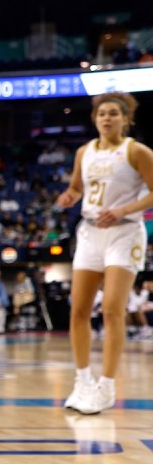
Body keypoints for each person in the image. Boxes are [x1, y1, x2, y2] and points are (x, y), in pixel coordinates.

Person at [56, 92, 153, 414]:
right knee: (79, 311)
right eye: (102, 114)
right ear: (94, 119)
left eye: (114, 114)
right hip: (90, 232)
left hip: (124, 232)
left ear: (126, 119)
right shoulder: (84, 152)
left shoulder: (137, 151)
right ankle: (82, 381)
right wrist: (69, 196)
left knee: (112, 309)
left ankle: (107, 386)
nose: (107, 118)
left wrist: (123, 208)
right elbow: (76, 187)